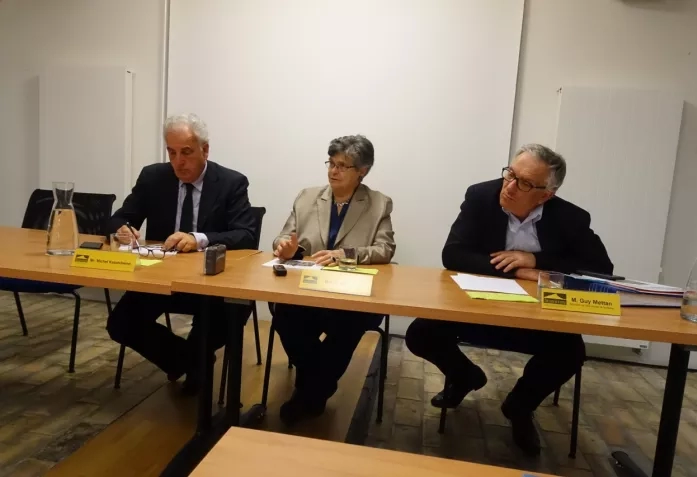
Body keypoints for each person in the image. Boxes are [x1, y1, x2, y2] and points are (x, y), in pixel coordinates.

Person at [405, 144, 613, 455]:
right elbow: (454, 254)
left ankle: (519, 406)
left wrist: (537, 261)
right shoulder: (481, 196)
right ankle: (465, 377)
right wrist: (517, 271)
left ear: (546, 195)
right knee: (421, 333)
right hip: (477, 307)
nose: (510, 187)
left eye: (524, 183)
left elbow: (601, 269)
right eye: (510, 174)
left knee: (570, 353)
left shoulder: (571, 218)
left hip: (536, 317)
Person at [106, 113, 256, 394]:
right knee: (121, 323)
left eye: (186, 152)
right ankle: (192, 362)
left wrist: (198, 239)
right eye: (171, 152)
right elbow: (119, 217)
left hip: (211, 282)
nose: (178, 161)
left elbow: (246, 234)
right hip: (162, 277)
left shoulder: (231, 183)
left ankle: (193, 363)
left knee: (219, 322)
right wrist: (122, 229)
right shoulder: (153, 177)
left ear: (205, 150)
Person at [272, 135, 396, 425]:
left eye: (343, 165)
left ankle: (308, 392)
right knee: (284, 315)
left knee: (348, 324)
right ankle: (319, 388)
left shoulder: (379, 203)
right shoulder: (307, 197)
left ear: (362, 171)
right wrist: (285, 248)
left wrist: (345, 254)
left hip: (351, 295)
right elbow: (283, 237)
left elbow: (385, 249)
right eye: (331, 163)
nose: (333, 171)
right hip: (306, 290)